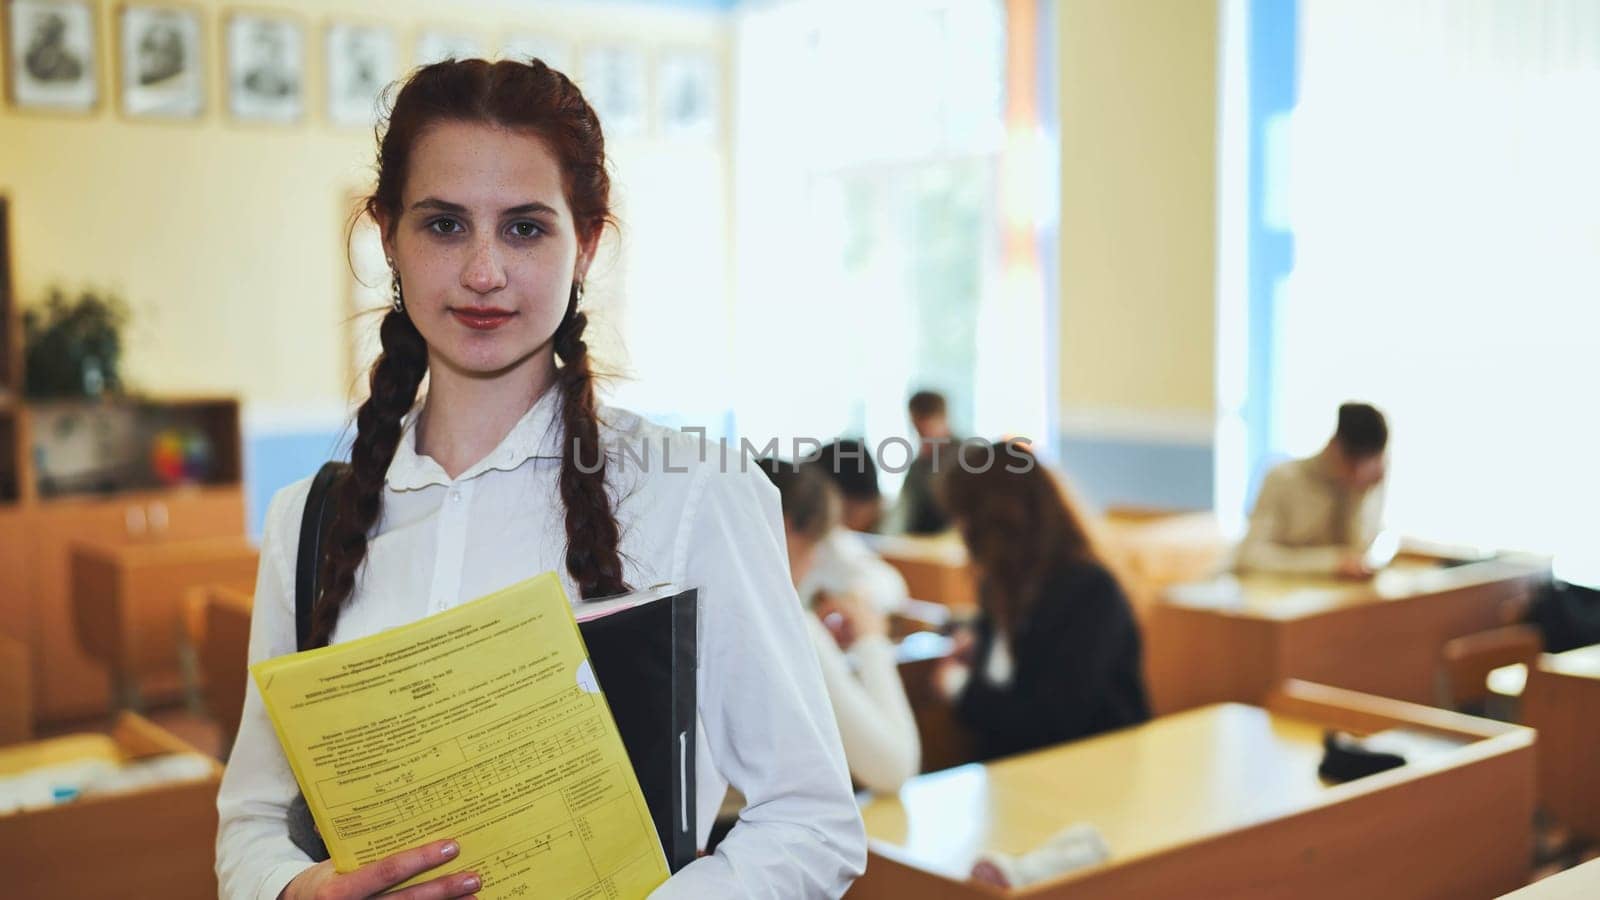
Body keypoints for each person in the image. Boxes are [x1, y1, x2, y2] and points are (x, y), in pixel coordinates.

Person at [215, 59, 864, 900]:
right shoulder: (307, 521)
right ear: (387, 237)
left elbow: (812, 822)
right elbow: (251, 824)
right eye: (444, 226)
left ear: (586, 242)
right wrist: (299, 892)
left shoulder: (696, 492)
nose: (484, 272)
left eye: (525, 229)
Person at [936, 441, 1150, 762]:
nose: (961, 533)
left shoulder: (1091, 592)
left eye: (964, 518)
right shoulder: (1001, 584)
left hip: (1091, 770)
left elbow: (1051, 720)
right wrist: (978, 646)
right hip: (1018, 770)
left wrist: (959, 688)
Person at [758, 459, 919, 793]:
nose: (815, 560)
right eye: (814, 545)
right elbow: (894, 768)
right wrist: (872, 642)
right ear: (786, 528)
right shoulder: (791, 628)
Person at [1236, 402, 1389, 578]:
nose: (1359, 473)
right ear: (1334, 446)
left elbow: (1359, 554)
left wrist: (1361, 496)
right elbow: (1251, 557)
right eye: (1353, 464)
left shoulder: (1364, 483)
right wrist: (1331, 563)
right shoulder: (1282, 478)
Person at [893, 390, 955, 535]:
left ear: (943, 419)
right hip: (917, 543)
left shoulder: (969, 457)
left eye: (926, 429)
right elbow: (906, 507)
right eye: (917, 430)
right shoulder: (919, 463)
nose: (922, 437)